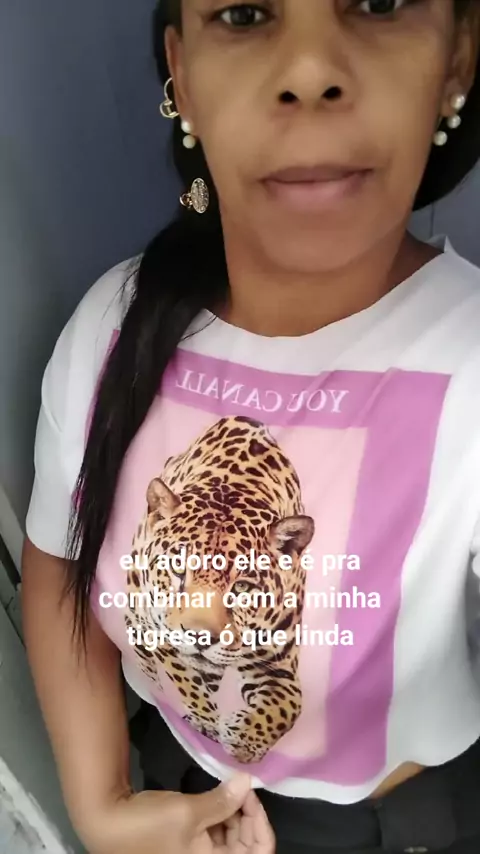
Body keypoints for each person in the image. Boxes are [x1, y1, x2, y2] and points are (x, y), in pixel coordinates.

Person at [21, 0, 480, 851]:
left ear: (458, 57)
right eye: (243, 13)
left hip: (383, 825)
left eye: (378, 4)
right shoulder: (112, 324)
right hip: (173, 777)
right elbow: (56, 562)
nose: (309, 72)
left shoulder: (468, 366)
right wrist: (103, 804)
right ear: (183, 76)